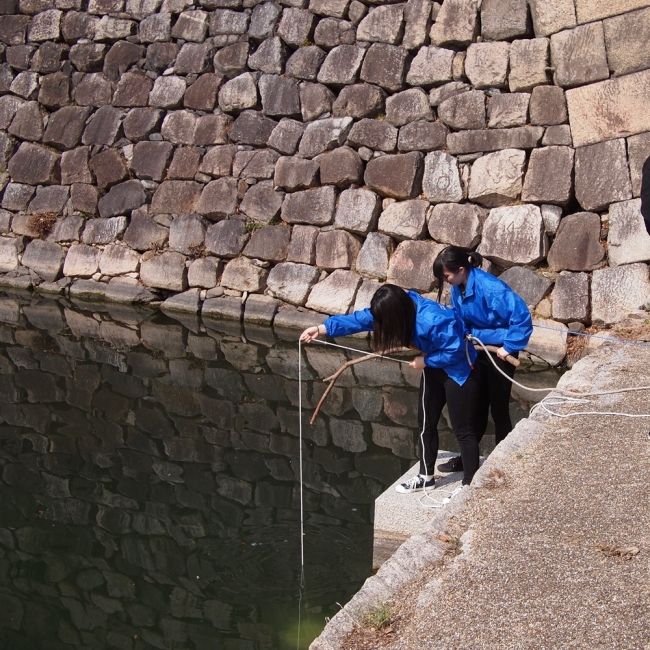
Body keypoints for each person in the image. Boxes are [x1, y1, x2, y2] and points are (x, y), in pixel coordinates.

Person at [300, 284, 481, 491]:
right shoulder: (395, 309)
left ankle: (468, 485)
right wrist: (321, 329)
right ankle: (426, 477)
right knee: (425, 424)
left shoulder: (432, 319)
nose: (381, 325)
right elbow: (360, 320)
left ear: (397, 313)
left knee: (463, 430)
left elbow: (455, 350)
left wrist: (426, 362)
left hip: (459, 370)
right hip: (433, 366)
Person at [433, 247, 533, 474]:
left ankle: (503, 461)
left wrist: (509, 347)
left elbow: (522, 318)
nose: (446, 281)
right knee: (475, 406)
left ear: (460, 269)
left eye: (447, 276)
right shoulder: (457, 287)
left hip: (500, 350)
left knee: (499, 409)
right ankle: (468, 460)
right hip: (475, 347)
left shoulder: (491, 288)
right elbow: (460, 319)